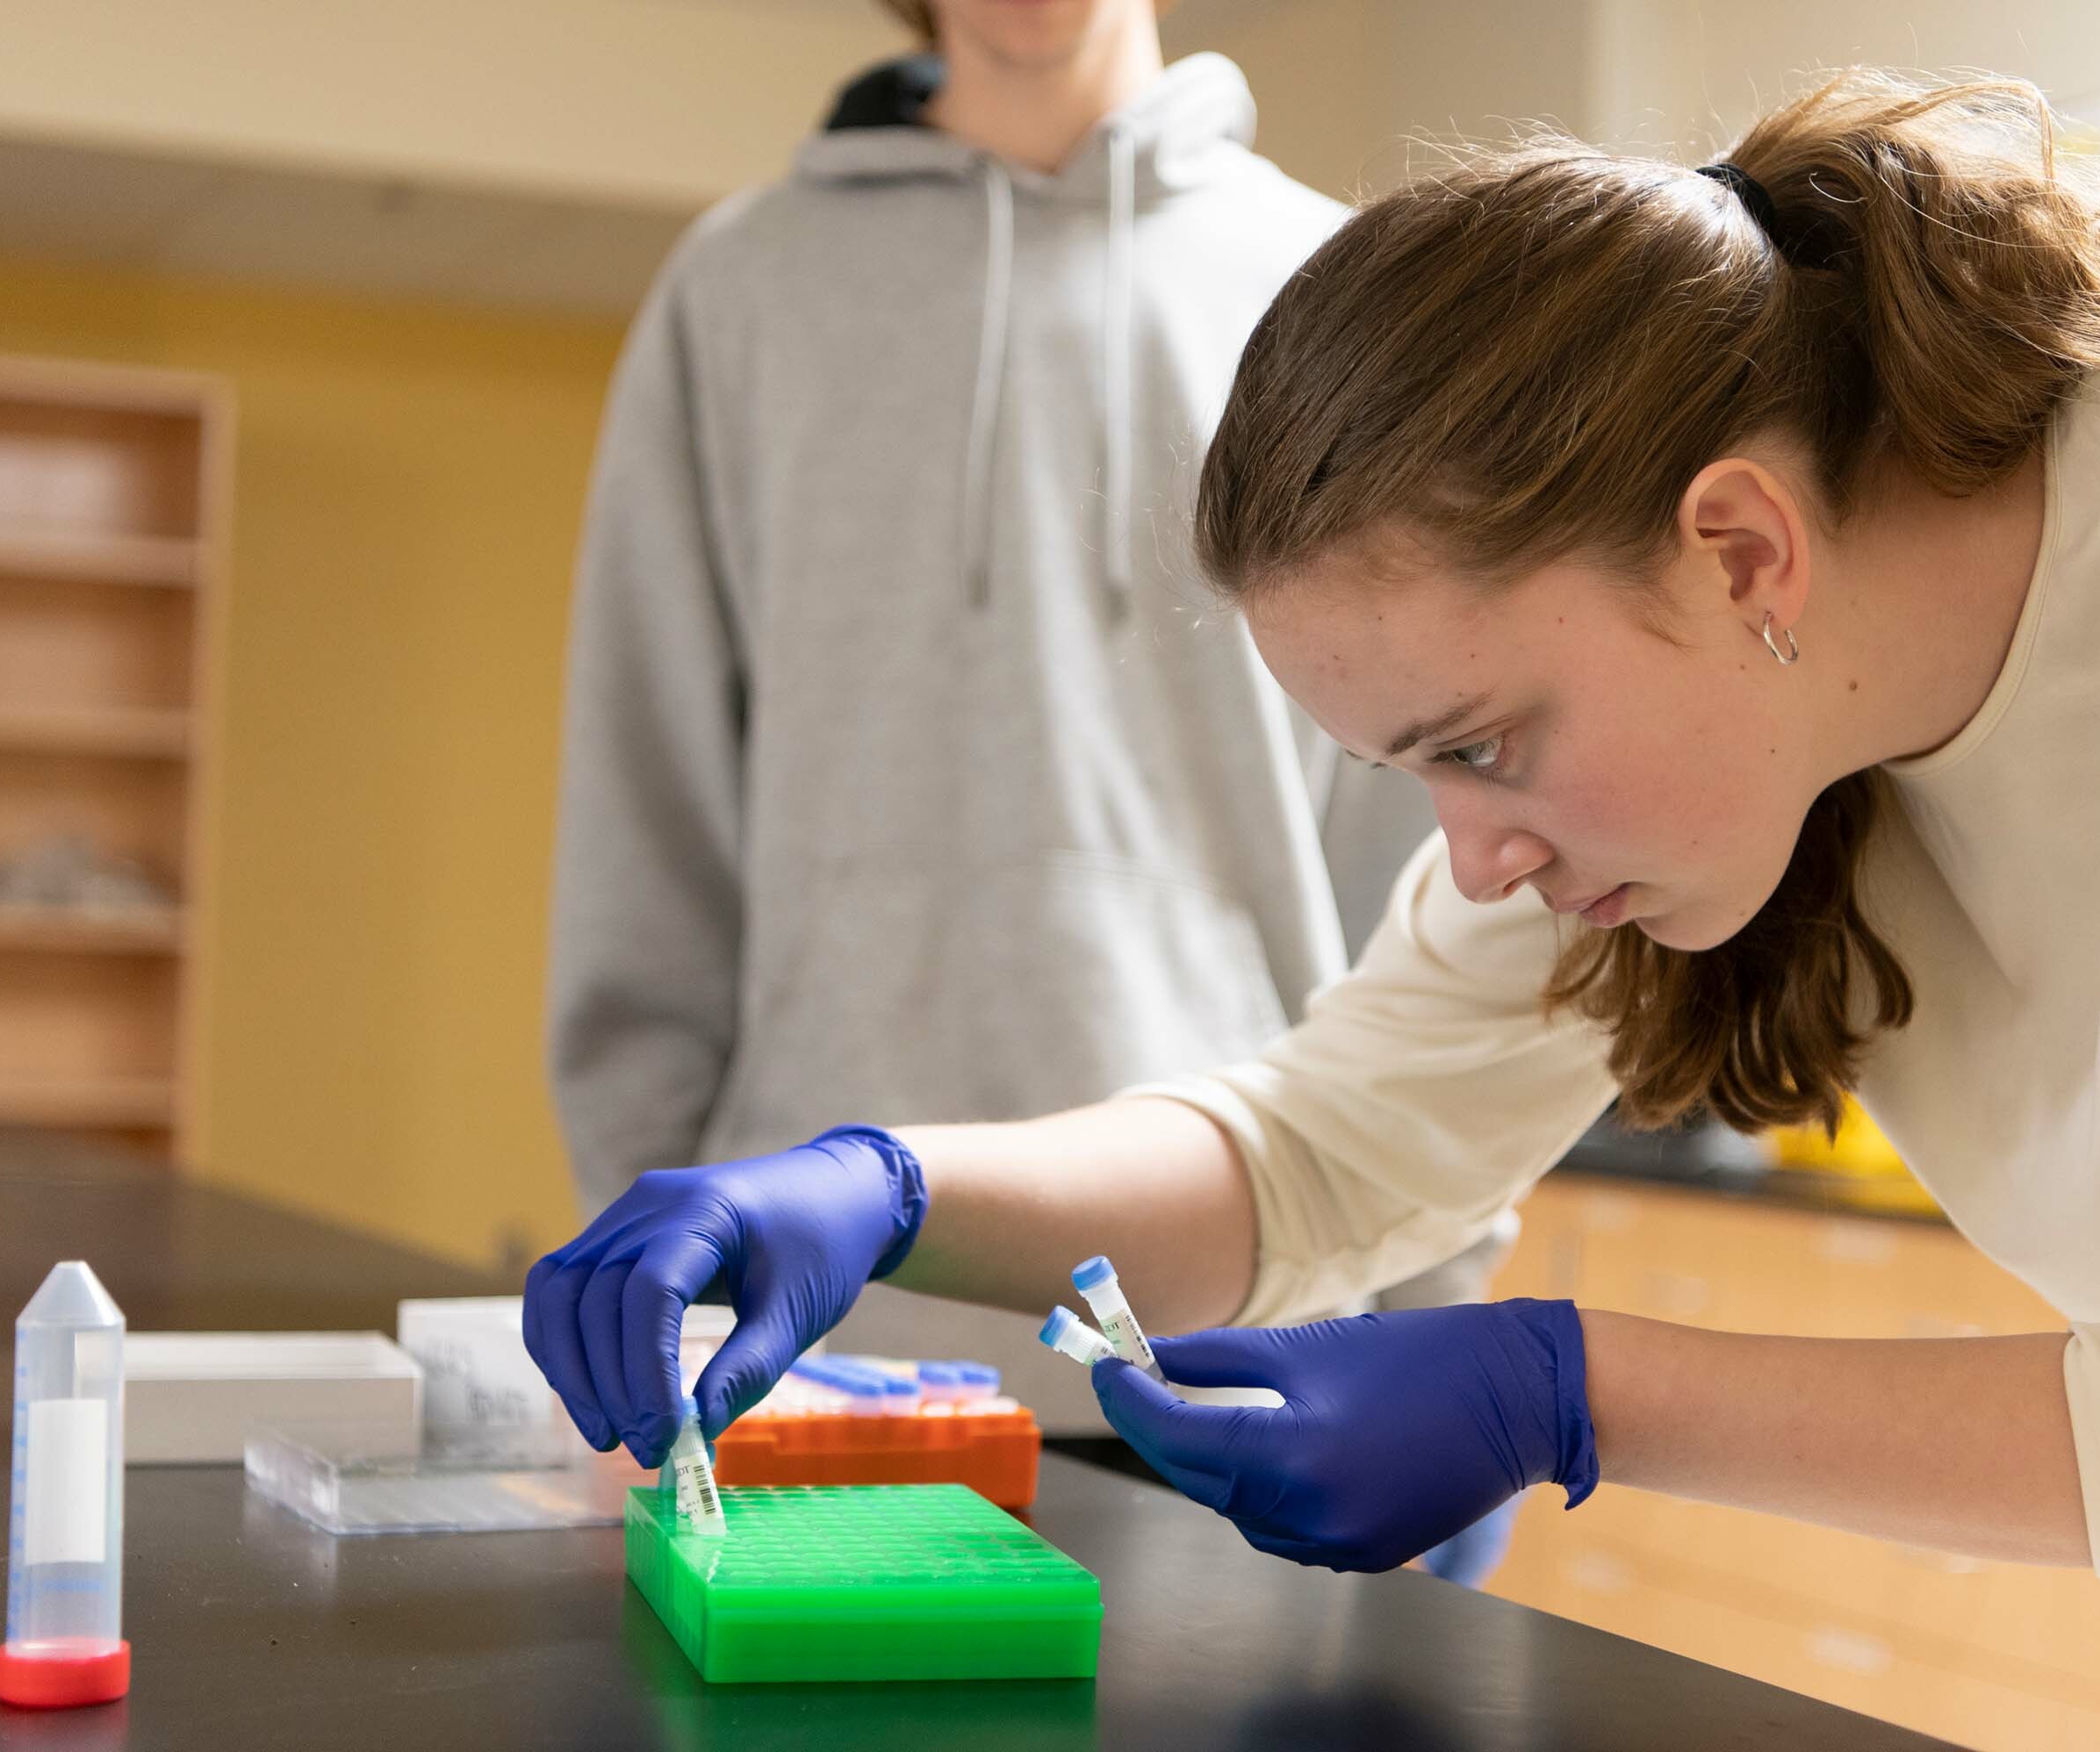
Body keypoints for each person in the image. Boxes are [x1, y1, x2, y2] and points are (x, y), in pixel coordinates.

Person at [529, 68, 2100, 1742]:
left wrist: (1568, 1385)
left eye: (1489, 745)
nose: (1474, 857)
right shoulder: (1739, 667)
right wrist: (895, 1193)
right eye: (1420, 774)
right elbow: (1333, 1150)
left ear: (1741, 544)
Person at [543, 0, 1508, 1577]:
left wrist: (1438, 1303)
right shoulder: (743, 289)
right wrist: (671, 1262)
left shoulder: (1344, 295)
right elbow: (645, 786)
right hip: (810, 1358)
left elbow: (1443, 822)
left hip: (1257, 1329)